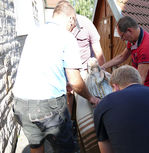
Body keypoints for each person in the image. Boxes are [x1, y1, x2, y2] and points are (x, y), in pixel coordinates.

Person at [12, 1, 99, 153]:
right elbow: (75, 81)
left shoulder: (34, 33)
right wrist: (91, 98)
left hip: (20, 103)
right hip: (47, 107)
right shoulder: (66, 37)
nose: (73, 29)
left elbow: (42, 65)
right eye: (73, 25)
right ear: (71, 19)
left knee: (36, 146)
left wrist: (61, 82)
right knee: (66, 149)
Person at [101, 16, 149, 89]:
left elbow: (140, 80)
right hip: (144, 79)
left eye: (122, 36)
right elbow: (122, 56)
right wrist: (103, 67)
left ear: (129, 30)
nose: (123, 39)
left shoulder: (146, 48)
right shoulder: (134, 40)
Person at [66, 13, 106, 116]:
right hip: (67, 68)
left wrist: (103, 74)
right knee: (69, 93)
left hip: (85, 68)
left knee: (89, 94)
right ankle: (71, 122)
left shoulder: (87, 24)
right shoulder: (60, 27)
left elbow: (98, 52)